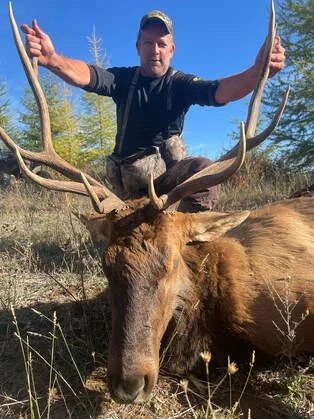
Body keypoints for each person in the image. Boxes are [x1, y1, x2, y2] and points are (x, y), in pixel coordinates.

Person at [21, 10, 285, 211]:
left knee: (202, 168)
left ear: (171, 50)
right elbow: (88, 75)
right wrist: (52, 60)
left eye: (161, 44)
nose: (154, 50)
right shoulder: (123, 80)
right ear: (138, 48)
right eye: (148, 43)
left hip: (165, 183)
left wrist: (255, 72)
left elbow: (218, 91)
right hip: (128, 190)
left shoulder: (180, 84)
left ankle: (185, 235)